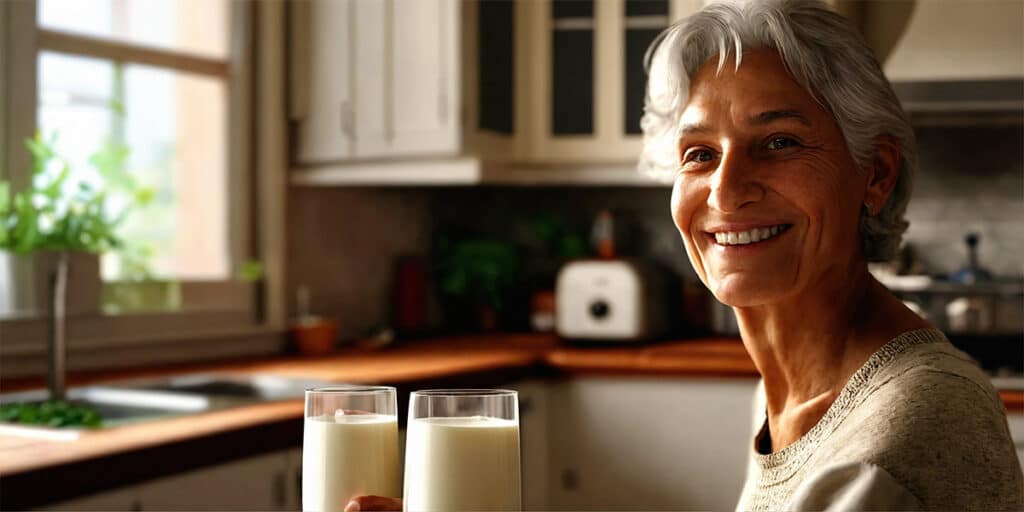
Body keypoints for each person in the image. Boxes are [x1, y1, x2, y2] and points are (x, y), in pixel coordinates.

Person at [348, 0, 1023, 510]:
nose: (726, 191)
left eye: (780, 142)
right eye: (699, 154)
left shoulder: (912, 425)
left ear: (873, 175)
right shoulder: (790, 391)